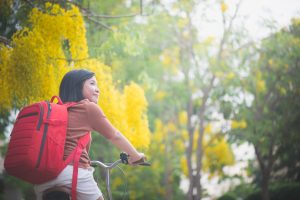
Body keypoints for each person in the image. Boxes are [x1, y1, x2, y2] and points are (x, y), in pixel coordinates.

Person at [34, 69, 146, 200]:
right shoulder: (87, 108)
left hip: (42, 179)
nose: (98, 89)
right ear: (77, 86)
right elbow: (115, 136)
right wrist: (136, 156)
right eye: (92, 83)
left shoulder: (53, 111)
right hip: (72, 174)